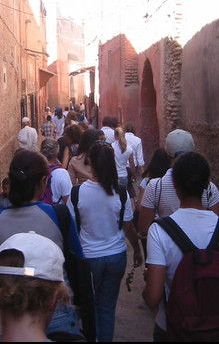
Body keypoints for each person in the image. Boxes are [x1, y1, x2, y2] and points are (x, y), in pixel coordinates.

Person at [142, 151, 219, 341]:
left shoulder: (159, 231)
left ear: (175, 185)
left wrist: (149, 279)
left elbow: (152, 299)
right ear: (207, 185)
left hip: (173, 327)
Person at [0, 149, 84, 339]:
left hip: (14, 311)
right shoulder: (58, 215)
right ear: (43, 182)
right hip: (55, 308)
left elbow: (0, 266)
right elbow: (77, 259)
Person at [67, 140, 143, 342]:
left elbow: (71, 228)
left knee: (89, 306)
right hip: (115, 256)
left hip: (89, 258)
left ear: (89, 163)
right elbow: (128, 227)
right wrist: (136, 250)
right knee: (107, 307)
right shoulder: (120, 192)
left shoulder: (77, 193)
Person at [138, 129, 219, 237]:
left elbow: (144, 229)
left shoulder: (155, 186)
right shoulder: (210, 188)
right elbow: (218, 228)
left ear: (167, 154)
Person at [133, 147, 172, 261]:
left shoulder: (147, 182)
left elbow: (140, 206)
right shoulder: (174, 182)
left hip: (152, 227)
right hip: (170, 226)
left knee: (151, 258)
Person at [40, 138, 73, 205]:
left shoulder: (34, 170)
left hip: (39, 212)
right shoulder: (62, 173)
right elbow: (68, 201)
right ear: (57, 154)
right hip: (56, 212)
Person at [124, 122, 145, 200]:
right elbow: (140, 157)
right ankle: (134, 200)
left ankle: (132, 200)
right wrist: (143, 171)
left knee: (127, 185)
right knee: (129, 184)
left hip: (123, 165)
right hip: (133, 166)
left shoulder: (122, 138)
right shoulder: (138, 140)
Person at [112, 127, 136, 192]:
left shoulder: (111, 147)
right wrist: (134, 175)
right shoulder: (129, 149)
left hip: (114, 175)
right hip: (124, 175)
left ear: (115, 136)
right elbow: (132, 165)